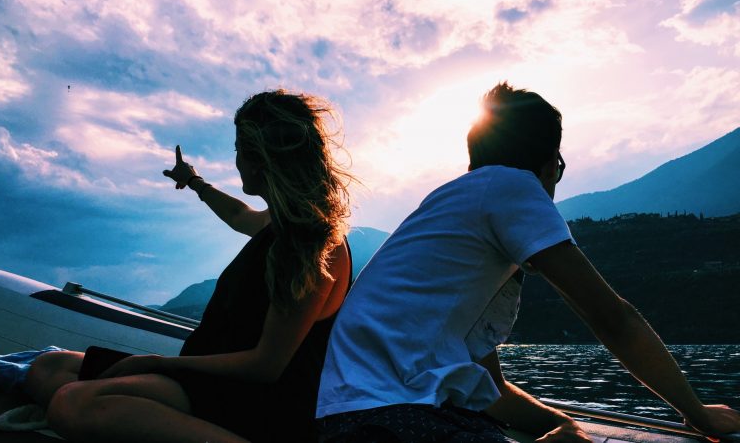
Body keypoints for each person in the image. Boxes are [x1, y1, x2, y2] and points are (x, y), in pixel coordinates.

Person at [316, 82, 740, 442]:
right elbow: (613, 319)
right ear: (549, 165)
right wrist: (697, 412)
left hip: (348, 423)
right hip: (393, 420)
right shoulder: (512, 185)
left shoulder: (454, 220)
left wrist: (562, 424)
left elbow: (492, 389)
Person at [0, 89, 354, 443]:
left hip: (252, 402)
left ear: (260, 157)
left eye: (238, 150)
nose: (237, 162)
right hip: (207, 378)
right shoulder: (278, 225)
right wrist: (194, 182)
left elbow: (266, 366)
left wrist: (157, 362)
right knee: (48, 368)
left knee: (72, 404)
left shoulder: (310, 245)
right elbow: (238, 215)